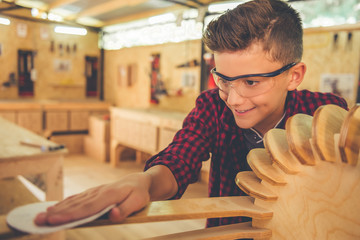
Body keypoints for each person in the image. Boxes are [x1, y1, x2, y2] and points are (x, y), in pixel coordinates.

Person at [35, 0, 348, 229]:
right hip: (226, 234)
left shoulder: (326, 115)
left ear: (294, 75)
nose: (234, 99)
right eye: (223, 79)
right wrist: (144, 182)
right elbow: (179, 160)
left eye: (251, 82)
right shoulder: (212, 107)